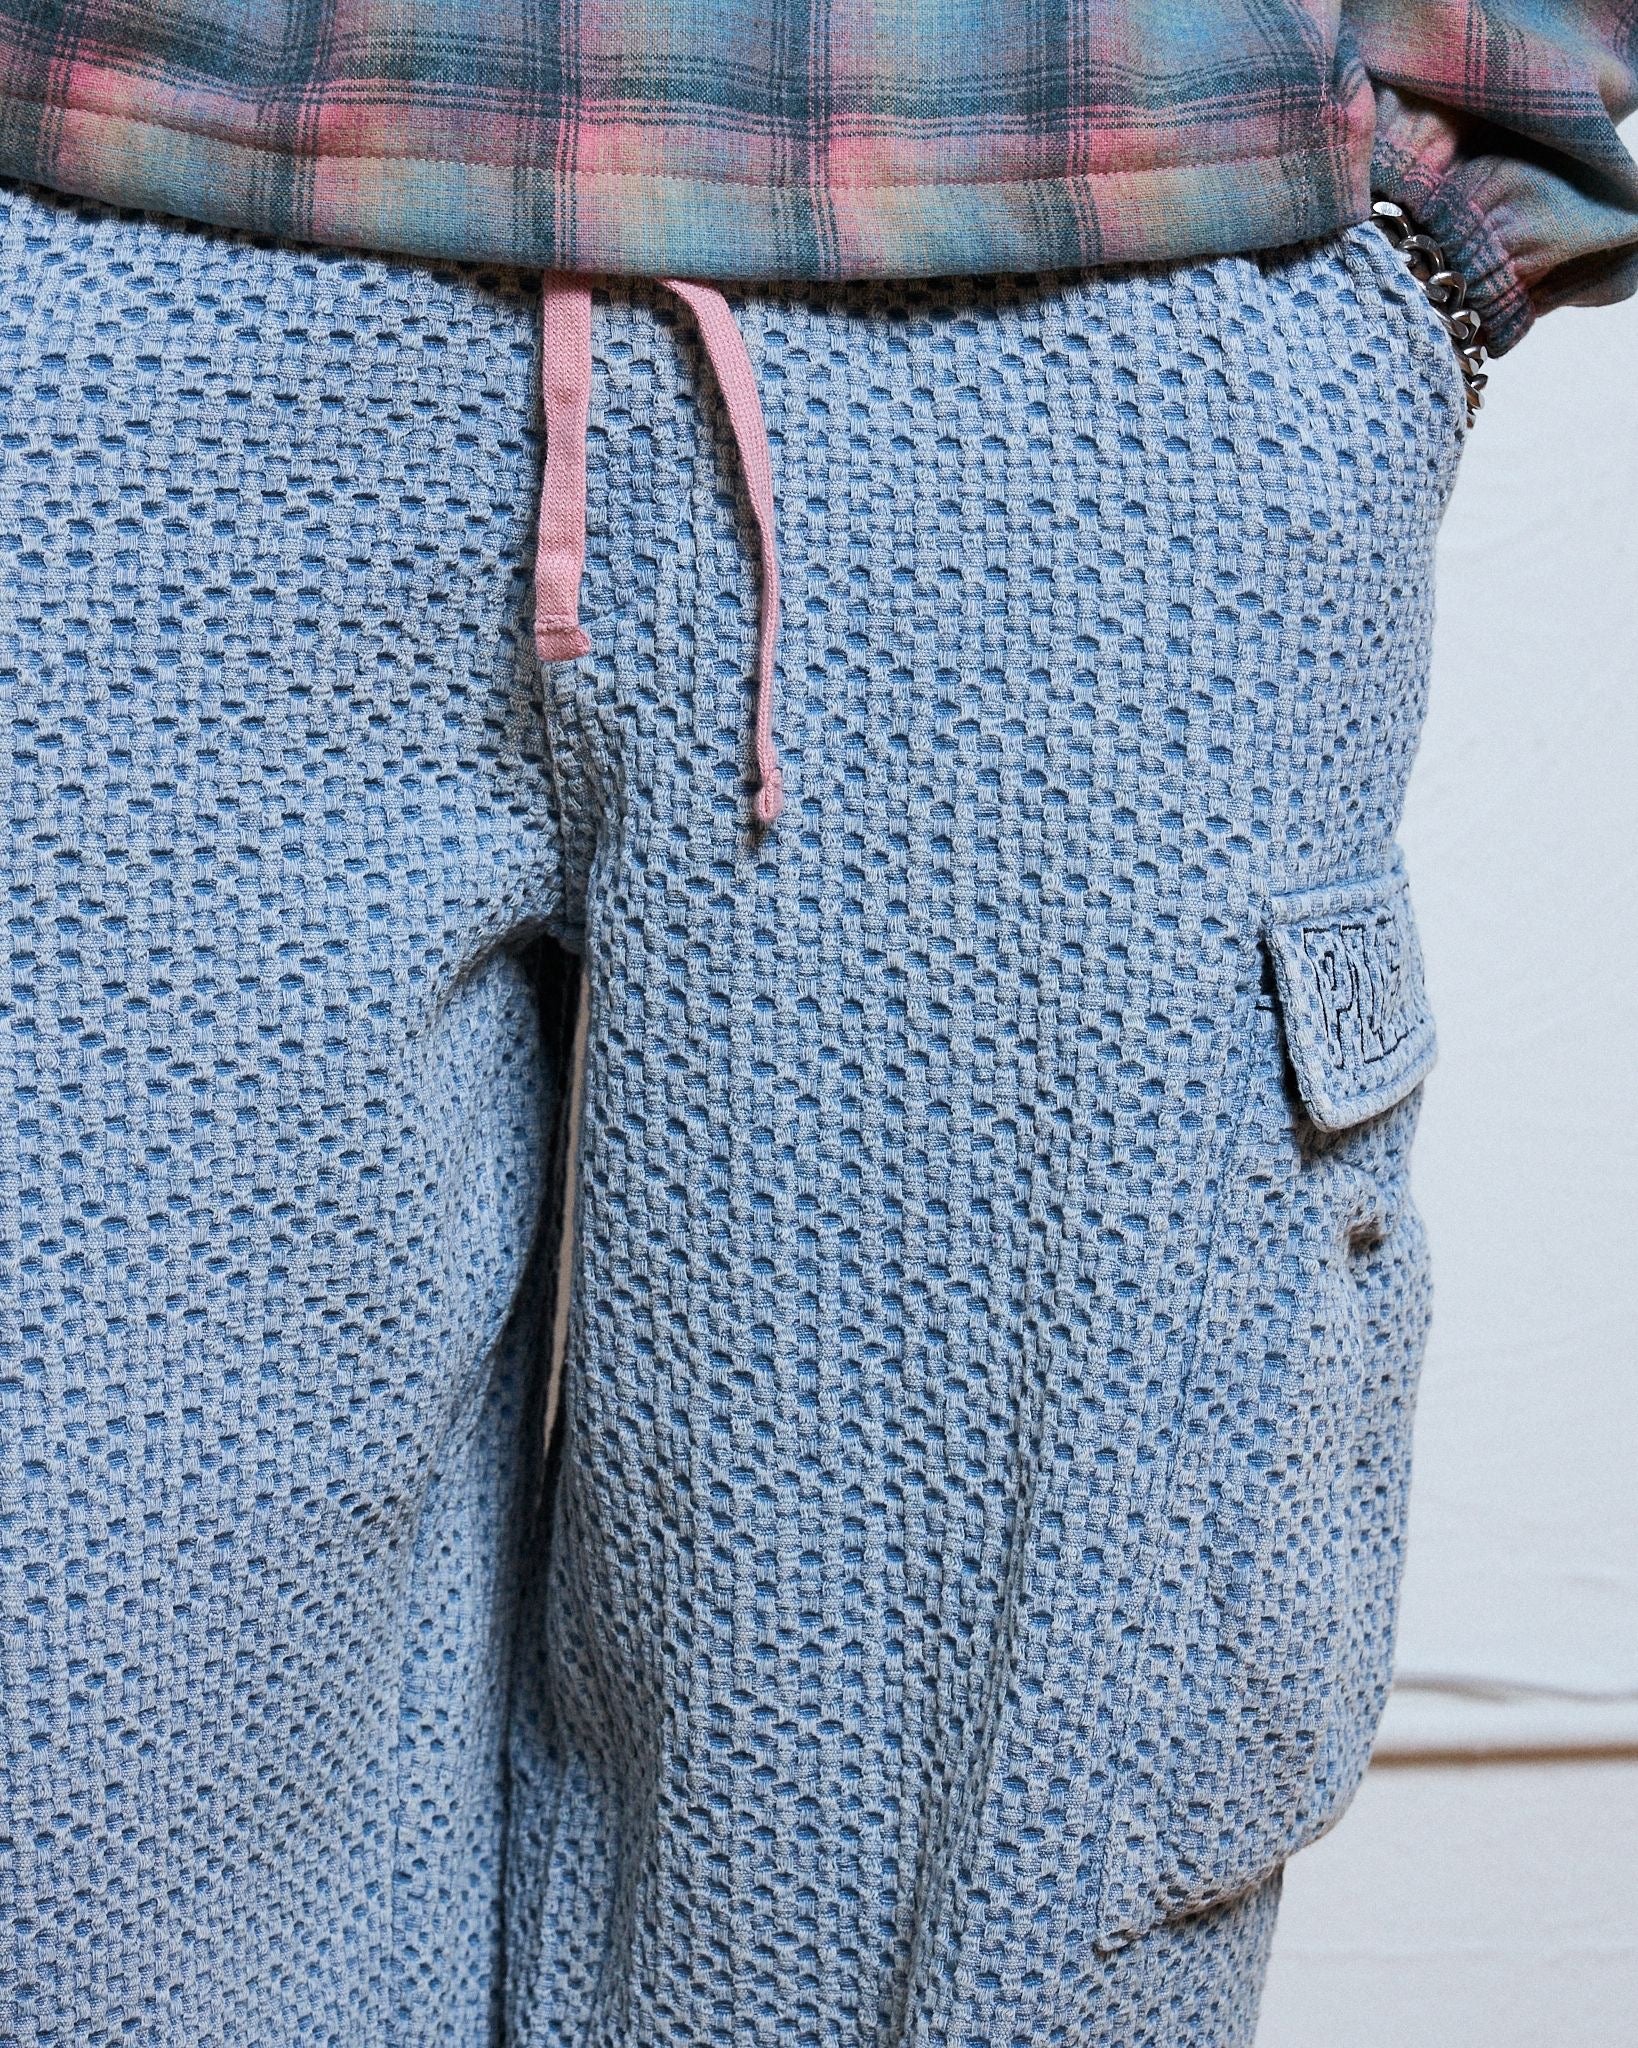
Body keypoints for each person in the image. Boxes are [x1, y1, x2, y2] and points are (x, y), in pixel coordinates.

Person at [1, 7, 1634, 2044]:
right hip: (116, 236)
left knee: (951, 1948)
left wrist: (1435, 207)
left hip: (1076, 263)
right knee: (73, 1890)